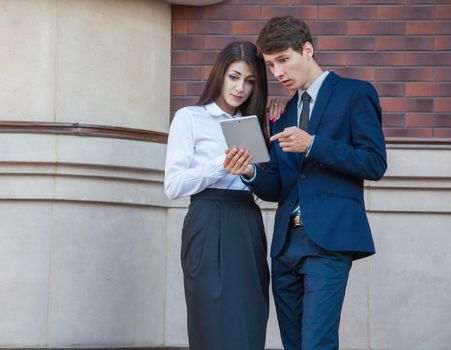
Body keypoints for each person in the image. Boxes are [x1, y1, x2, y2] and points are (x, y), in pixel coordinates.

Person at [224, 16, 387, 350]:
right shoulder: (284, 112)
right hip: (285, 246)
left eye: (283, 59)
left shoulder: (355, 94)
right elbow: (278, 187)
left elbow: (374, 162)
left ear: (308, 49)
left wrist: (312, 144)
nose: (278, 72)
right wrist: (249, 171)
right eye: (271, 65)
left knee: (317, 344)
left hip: (328, 241)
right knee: (293, 344)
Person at [164, 41, 272, 350]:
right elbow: (173, 186)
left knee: (250, 316)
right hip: (207, 220)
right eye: (234, 76)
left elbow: (268, 182)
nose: (241, 87)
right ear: (220, 74)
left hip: (246, 222)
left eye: (250, 81)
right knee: (210, 318)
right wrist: (219, 166)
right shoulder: (190, 117)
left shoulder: (253, 125)